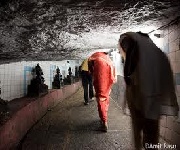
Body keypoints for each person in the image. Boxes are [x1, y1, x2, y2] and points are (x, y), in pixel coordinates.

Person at [118, 32, 179, 150]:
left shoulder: (134, 57)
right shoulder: (159, 55)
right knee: (151, 135)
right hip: (153, 103)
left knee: (139, 133)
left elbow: (130, 81)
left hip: (139, 103)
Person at [88, 52, 116, 132]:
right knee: (105, 98)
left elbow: (90, 67)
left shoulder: (96, 57)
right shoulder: (107, 58)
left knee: (101, 98)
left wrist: (92, 72)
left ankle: (104, 122)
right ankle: (103, 119)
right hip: (108, 77)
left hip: (101, 76)